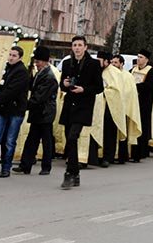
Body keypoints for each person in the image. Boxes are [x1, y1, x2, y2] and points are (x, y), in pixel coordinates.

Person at [58, 36, 103, 189]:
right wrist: (64, 84)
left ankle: (69, 174)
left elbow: (99, 87)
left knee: (72, 137)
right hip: (69, 105)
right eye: (74, 45)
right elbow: (62, 84)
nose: (77, 48)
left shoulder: (94, 64)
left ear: (85, 47)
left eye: (79, 45)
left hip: (83, 106)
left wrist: (84, 89)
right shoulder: (66, 63)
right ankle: (76, 172)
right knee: (69, 141)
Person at [0, 45, 29, 178]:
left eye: (14, 55)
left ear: (20, 58)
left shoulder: (21, 72)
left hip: (15, 111)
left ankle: (6, 168)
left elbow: (11, 91)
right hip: (4, 110)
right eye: (10, 54)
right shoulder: (7, 69)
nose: (11, 57)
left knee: (9, 140)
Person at [15, 46, 58, 175]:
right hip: (38, 112)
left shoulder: (49, 77)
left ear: (45, 61)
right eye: (36, 61)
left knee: (46, 141)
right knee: (32, 139)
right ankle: (25, 165)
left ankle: (46, 166)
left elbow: (39, 97)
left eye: (38, 62)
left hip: (45, 113)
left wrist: (24, 106)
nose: (36, 64)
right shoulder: (39, 73)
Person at [98, 53, 129, 166]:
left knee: (109, 133)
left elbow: (117, 90)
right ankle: (98, 155)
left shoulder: (115, 73)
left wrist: (103, 91)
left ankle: (108, 157)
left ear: (106, 61)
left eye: (100, 60)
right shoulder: (98, 71)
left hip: (110, 107)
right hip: (98, 107)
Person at [111, 54, 141, 164]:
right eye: (112, 62)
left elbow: (129, 92)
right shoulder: (109, 74)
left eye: (116, 63)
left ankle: (121, 156)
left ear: (122, 64)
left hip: (123, 108)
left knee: (122, 133)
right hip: (111, 107)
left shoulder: (127, 76)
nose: (113, 65)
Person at [129, 49, 153, 162]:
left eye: (141, 57)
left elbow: (149, 86)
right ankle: (131, 151)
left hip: (144, 103)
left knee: (142, 127)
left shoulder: (152, 71)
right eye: (138, 56)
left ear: (146, 59)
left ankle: (139, 153)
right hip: (132, 101)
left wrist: (135, 86)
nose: (138, 59)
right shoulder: (132, 70)